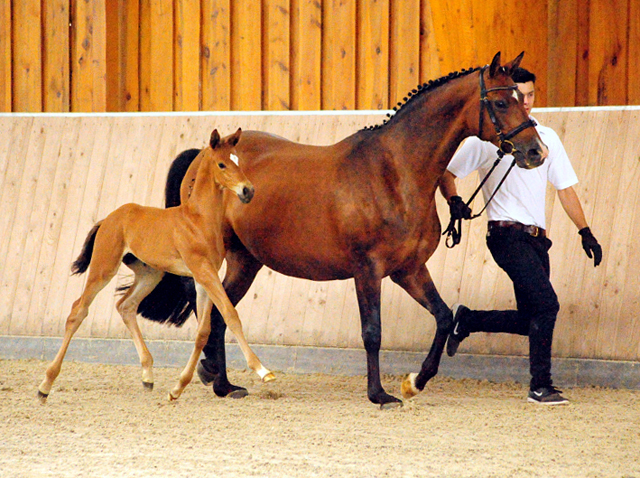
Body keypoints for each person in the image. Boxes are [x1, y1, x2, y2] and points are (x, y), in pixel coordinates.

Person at [439, 67, 602, 405]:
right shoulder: (486, 139)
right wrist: (453, 200)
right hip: (505, 236)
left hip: (537, 240)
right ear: (509, 96)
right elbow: (448, 171)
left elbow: (565, 189)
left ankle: (466, 320)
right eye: (519, 96)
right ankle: (540, 385)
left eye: (530, 96)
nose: (525, 102)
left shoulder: (547, 139)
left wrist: (585, 231)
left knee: (533, 318)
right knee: (548, 304)